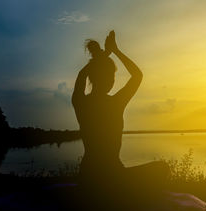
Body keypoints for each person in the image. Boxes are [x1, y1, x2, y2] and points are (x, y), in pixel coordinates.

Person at [72, 30, 168, 190]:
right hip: (114, 178)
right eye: (112, 76)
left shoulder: (80, 102)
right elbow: (137, 75)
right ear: (109, 79)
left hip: (87, 178)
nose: (113, 80)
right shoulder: (115, 103)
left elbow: (81, 76)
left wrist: (99, 59)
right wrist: (115, 51)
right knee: (162, 168)